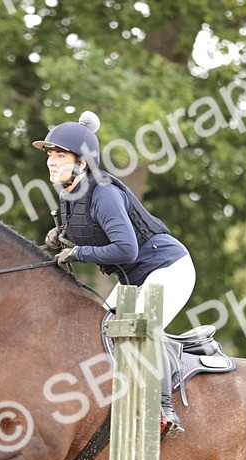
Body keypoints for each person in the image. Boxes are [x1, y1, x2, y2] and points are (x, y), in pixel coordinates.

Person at [34, 111, 196, 436]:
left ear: (82, 160)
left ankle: (165, 410)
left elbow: (126, 250)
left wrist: (78, 252)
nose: (51, 161)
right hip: (134, 279)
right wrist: (61, 237)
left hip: (168, 268)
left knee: (138, 331)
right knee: (100, 332)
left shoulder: (103, 191)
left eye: (60, 154)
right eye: (50, 154)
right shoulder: (71, 191)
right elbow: (91, 231)